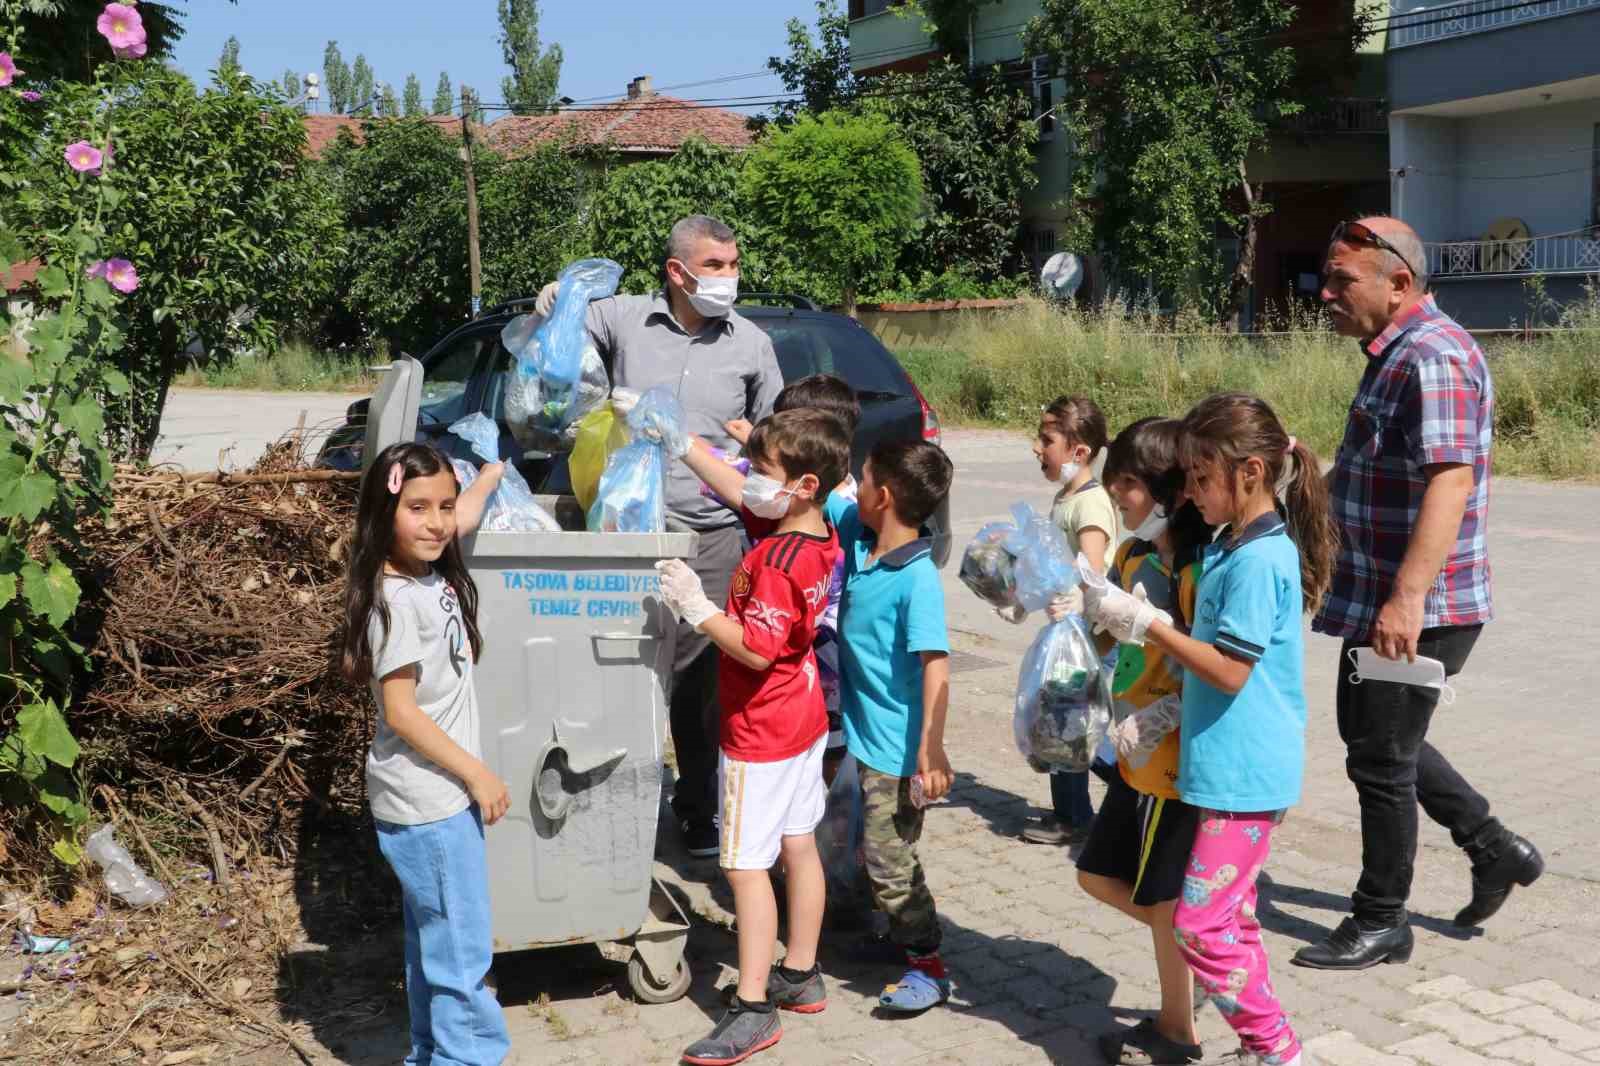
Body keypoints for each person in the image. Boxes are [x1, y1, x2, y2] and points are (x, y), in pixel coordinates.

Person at [1293, 217, 1540, 970]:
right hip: (1379, 594)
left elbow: (1450, 481)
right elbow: (1372, 466)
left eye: (1343, 281)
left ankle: (1381, 920)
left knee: (1380, 758)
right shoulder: (1392, 352)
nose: (1326, 294)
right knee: (1378, 741)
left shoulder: (1430, 357)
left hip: (1419, 608)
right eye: (1327, 279)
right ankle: (1496, 849)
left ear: (1399, 283)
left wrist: (1406, 600)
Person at [1084, 392, 1338, 1066]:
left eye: (1201, 477)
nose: (1190, 493)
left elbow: (1228, 670)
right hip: (1219, 768)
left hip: (1245, 776)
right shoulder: (1231, 543)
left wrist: (1153, 628)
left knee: (1200, 926)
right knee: (1234, 920)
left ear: (1249, 472)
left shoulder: (1259, 559)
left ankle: (1279, 1050)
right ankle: (1264, 1047)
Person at [538, 214, 784, 858]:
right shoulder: (623, 318)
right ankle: (618, 808)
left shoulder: (751, 344)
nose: (730, 277)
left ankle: (697, 810)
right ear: (677, 272)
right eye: (716, 266)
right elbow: (561, 340)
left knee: (704, 686)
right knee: (623, 674)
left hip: (712, 540)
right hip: (628, 537)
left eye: (733, 264)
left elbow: (778, 442)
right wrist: (555, 301)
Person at [656, 409, 849, 1066]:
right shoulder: (817, 532)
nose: (751, 480)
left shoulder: (775, 563)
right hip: (804, 716)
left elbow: (758, 651)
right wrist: (680, 442)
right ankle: (801, 970)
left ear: (803, 483)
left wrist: (698, 607)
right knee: (798, 845)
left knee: (743, 867)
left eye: (764, 471)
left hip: (761, 726)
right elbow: (741, 492)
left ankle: (755, 1006)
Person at [337, 442, 512, 1066]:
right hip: (433, 803)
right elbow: (402, 711)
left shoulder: (427, 566)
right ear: (386, 513)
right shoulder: (398, 602)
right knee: (462, 956)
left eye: (443, 505)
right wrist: (477, 773)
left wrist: (490, 475)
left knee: (432, 949)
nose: (437, 521)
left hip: (429, 801)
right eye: (418, 508)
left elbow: (458, 515)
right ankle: (467, 1059)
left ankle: (431, 1056)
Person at [1067, 418, 1214, 1066]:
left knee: (1161, 899)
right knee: (1099, 877)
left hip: (1173, 767)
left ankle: (1177, 1030)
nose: (1117, 497)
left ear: (1167, 490)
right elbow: (1111, 639)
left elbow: (1210, 667)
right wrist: (1078, 615)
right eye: (1113, 482)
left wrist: (1158, 718)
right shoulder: (1130, 558)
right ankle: (1202, 949)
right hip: (1132, 761)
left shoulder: (1193, 568)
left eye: (1128, 484)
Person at [829, 438, 957, 1013]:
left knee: (889, 858)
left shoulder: (916, 578)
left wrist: (932, 750)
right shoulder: (861, 535)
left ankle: (927, 965)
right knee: (878, 848)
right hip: (865, 734)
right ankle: (895, 932)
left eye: (862, 477)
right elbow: (811, 492)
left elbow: (936, 665)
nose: (853, 485)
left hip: (897, 750)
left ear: (883, 495)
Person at [726, 374, 863, 786]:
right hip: (810, 663)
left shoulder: (828, 511)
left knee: (829, 753)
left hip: (822, 656)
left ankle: (835, 829)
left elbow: (756, 649)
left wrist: (697, 609)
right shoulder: (824, 497)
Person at [1018, 396, 1119, 847]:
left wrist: (1076, 600)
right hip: (1070, 634)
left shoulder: (1090, 504)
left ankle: (1096, 808)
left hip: (1091, 637)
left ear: (1079, 452)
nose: (1038, 449)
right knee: (1066, 721)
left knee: (1072, 725)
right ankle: (1080, 811)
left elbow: (1090, 571)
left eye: (1047, 440)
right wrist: (1023, 597)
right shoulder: (1067, 497)